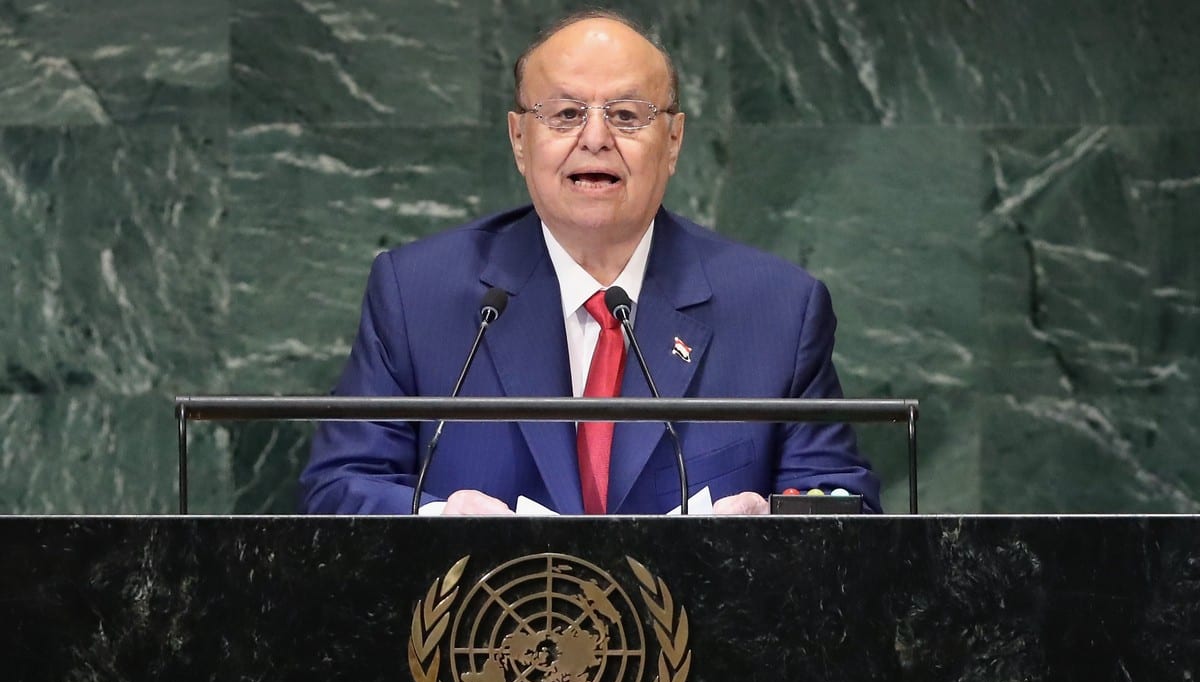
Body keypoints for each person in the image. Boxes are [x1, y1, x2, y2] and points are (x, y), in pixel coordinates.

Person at [299, 10, 881, 515]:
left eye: (628, 115)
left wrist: (769, 528)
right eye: (565, 114)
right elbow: (339, 487)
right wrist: (436, 518)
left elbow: (839, 501)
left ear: (674, 141)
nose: (596, 138)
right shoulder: (417, 293)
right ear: (519, 139)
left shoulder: (778, 310)